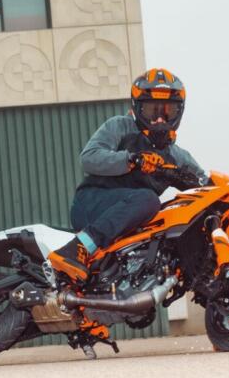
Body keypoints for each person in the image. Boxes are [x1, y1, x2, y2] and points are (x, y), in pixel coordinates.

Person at [48, 68, 208, 286]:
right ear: (137, 108)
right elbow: (89, 158)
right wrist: (132, 160)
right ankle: (77, 248)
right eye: (152, 110)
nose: (159, 119)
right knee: (149, 200)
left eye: (167, 111)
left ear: (178, 112)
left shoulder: (177, 156)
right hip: (92, 204)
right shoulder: (120, 126)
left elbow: (204, 184)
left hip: (131, 223)